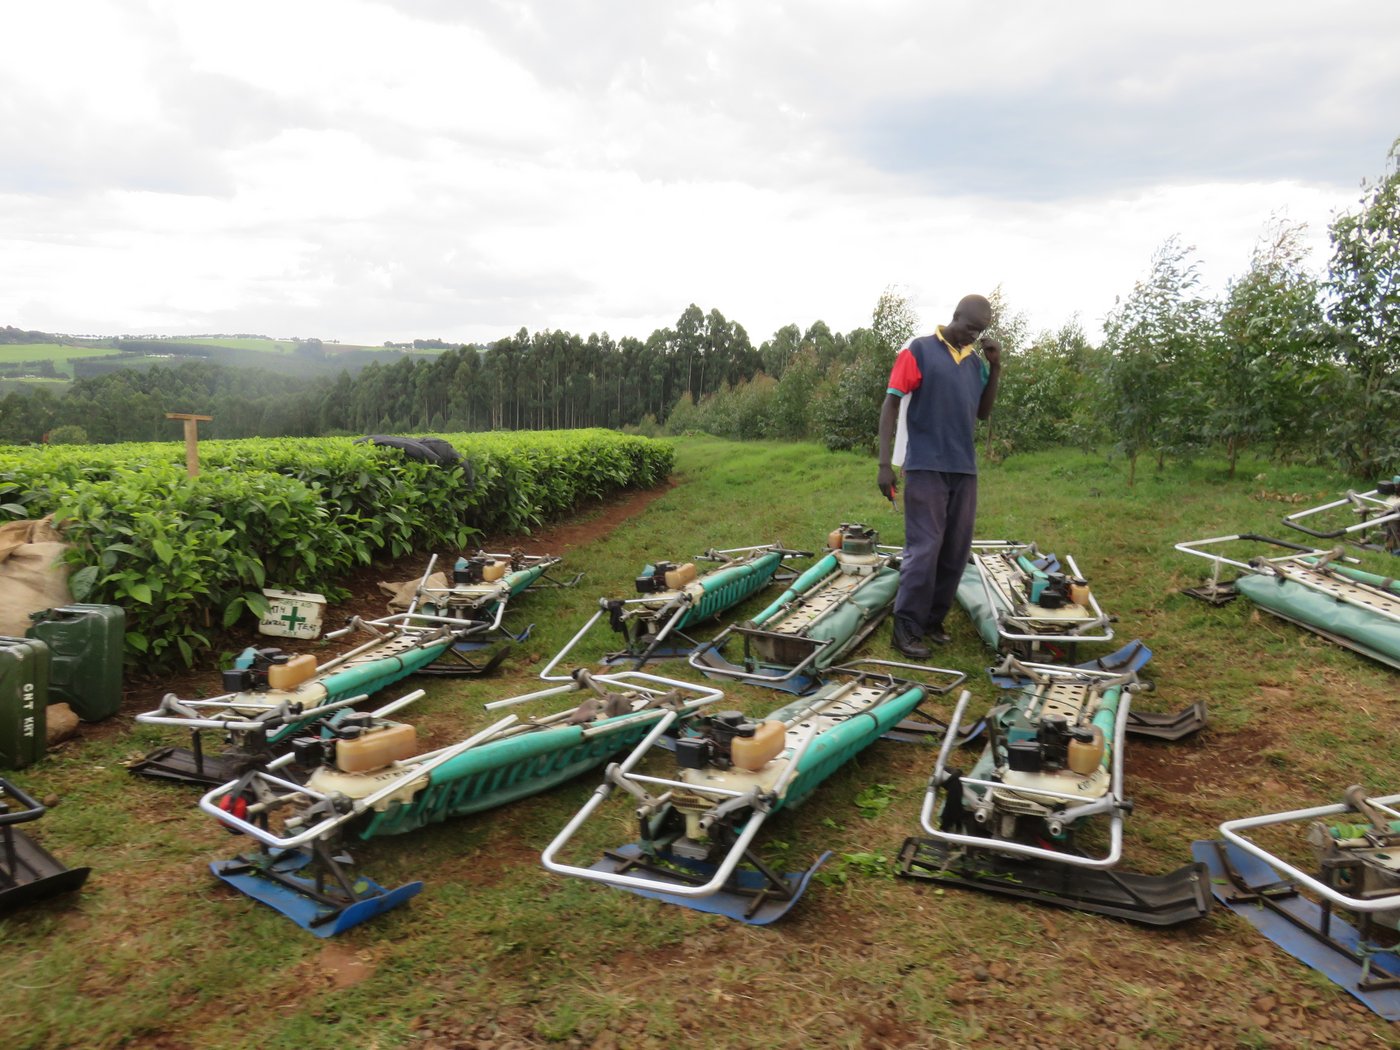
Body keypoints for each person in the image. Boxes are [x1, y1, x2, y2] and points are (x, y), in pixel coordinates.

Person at [877, 294, 1002, 659]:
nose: (971, 336)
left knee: (955, 551)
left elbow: (982, 412)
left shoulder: (975, 363)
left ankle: (932, 620)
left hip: (964, 468)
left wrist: (995, 368)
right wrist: (885, 464)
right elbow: (891, 402)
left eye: (978, 332)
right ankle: (906, 628)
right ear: (955, 316)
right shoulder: (919, 351)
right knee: (924, 549)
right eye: (968, 328)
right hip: (925, 467)